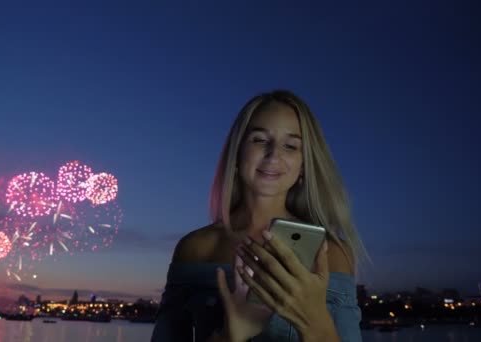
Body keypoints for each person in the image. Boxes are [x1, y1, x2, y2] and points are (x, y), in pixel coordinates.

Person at [151, 90, 368, 341]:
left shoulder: (332, 253)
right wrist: (233, 333)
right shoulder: (196, 249)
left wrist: (313, 318)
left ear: (303, 167)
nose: (274, 154)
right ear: (237, 152)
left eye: (290, 146)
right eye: (259, 140)